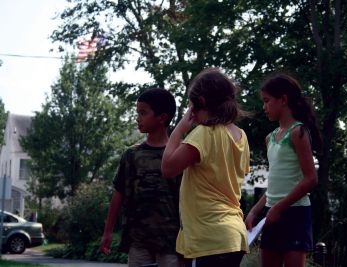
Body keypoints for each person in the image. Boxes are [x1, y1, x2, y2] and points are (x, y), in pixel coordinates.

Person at [161, 68, 250, 267]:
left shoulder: (204, 133)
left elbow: (168, 168)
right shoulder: (240, 136)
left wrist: (181, 127)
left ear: (200, 102)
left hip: (212, 236)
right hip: (234, 234)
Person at [245, 73, 322, 267]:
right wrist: (255, 210)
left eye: (267, 101)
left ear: (284, 100)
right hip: (272, 214)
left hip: (295, 214)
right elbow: (274, 182)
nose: (264, 107)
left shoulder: (298, 132)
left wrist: (279, 207)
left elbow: (311, 179)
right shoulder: (270, 138)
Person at [100, 88, 182, 267]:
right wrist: (108, 232)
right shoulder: (131, 155)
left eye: (143, 113)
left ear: (162, 117)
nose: (138, 117)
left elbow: (187, 199)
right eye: (137, 112)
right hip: (138, 241)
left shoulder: (178, 155)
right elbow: (118, 193)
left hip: (171, 242)